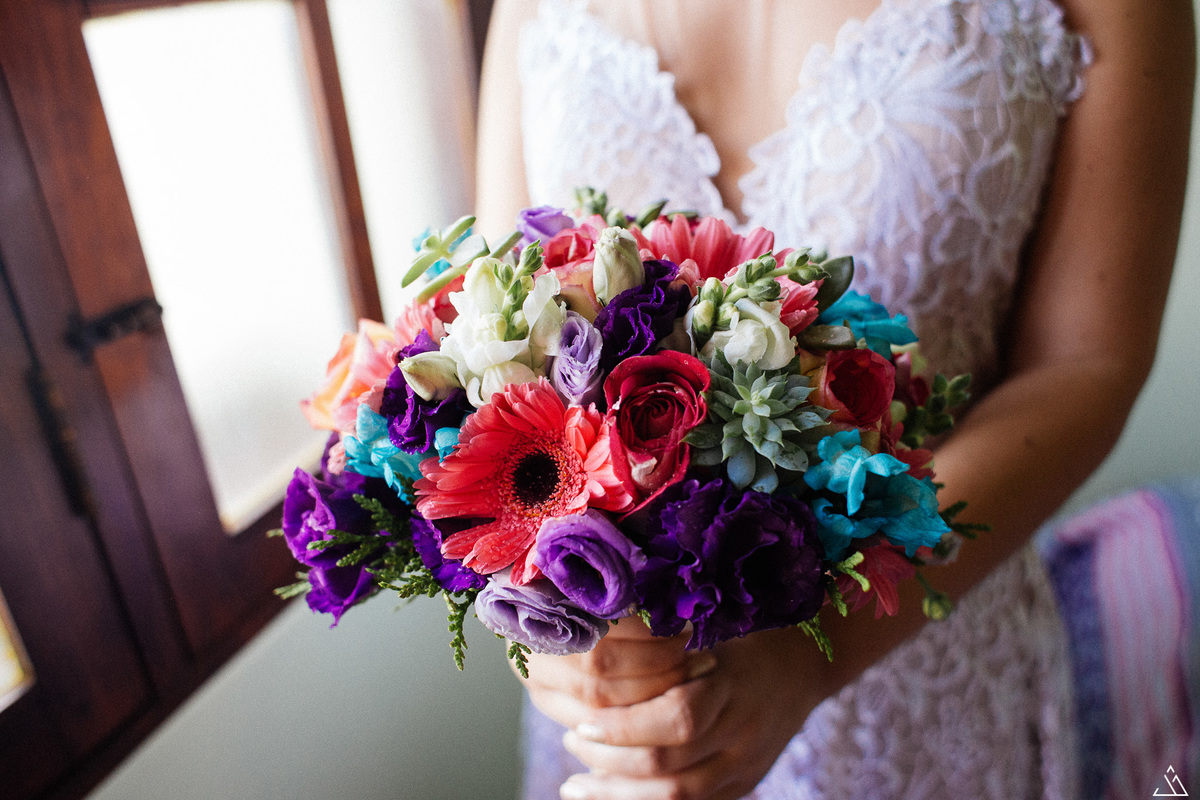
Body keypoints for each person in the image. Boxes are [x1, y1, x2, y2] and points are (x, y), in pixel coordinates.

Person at [473, 1, 1196, 798]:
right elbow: (501, 342)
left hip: (917, 664)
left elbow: (1085, 363)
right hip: (610, 705)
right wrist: (546, 638)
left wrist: (821, 654)